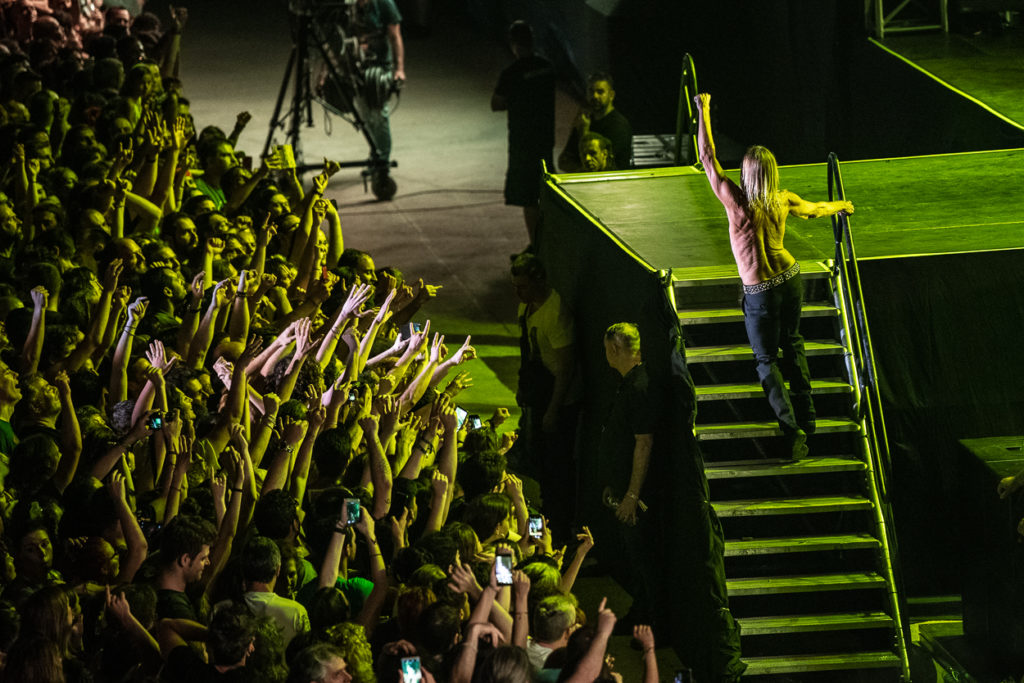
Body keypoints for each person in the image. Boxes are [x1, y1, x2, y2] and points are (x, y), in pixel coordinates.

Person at [693, 92, 854, 459]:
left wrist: (703, 111)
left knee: (767, 361)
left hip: (761, 291)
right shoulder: (782, 199)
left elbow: (707, 158)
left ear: (747, 173)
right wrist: (842, 206)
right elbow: (815, 210)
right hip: (791, 277)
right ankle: (809, 415)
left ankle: (793, 428)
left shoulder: (735, 202)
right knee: (793, 343)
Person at [511, 253, 577, 540]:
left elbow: (566, 368)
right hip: (538, 391)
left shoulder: (555, 313)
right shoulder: (527, 307)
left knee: (556, 469)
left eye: (523, 287)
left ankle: (558, 531)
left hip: (558, 397)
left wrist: (553, 409)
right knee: (535, 460)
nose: (518, 293)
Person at [599, 322, 658, 627]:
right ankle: (640, 614)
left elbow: (643, 443)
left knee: (643, 561)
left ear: (614, 349)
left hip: (636, 496)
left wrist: (632, 495)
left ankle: (649, 623)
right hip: (624, 488)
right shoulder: (630, 382)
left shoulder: (638, 387)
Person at [491, 20, 555, 245]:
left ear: (513, 44)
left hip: (523, 142)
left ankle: (537, 244)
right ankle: (548, 239)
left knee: (529, 198)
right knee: (546, 191)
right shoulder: (547, 67)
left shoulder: (511, 73)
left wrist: (517, 100)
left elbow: (496, 103)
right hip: (545, 139)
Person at [350, 0, 405, 184]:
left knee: (379, 116)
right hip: (356, 67)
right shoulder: (348, 5)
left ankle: (383, 163)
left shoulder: (384, 4)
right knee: (365, 117)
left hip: (380, 67)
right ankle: (376, 154)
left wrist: (399, 69)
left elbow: (395, 36)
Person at [558, 73, 632, 173]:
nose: (595, 96)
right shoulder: (586, 121)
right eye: (591, 91)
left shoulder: (618, 126)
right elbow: (563, 161)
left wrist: (584, 133)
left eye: (600, 92)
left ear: (611, 95)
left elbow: (600, 167)